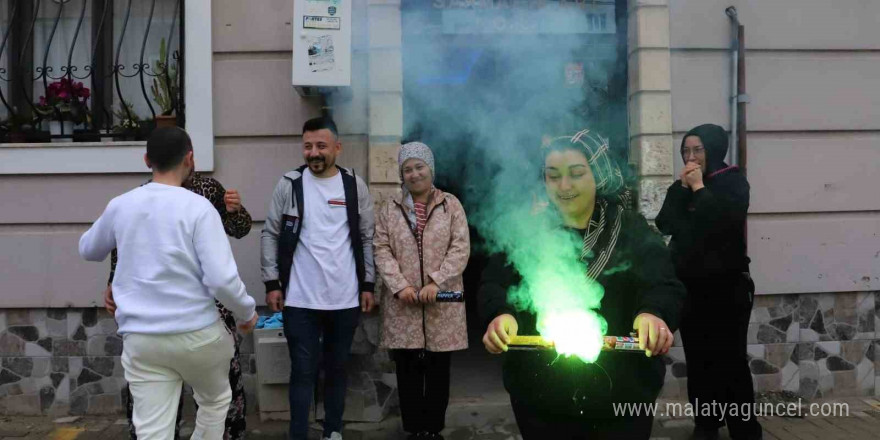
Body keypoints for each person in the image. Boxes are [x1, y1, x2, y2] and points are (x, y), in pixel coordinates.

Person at [479, 129, 685, 439]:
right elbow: (494, 283)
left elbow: (664, 283)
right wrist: (500, 313)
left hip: (621, 393)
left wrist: (653, 313)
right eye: (553, 176)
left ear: (597, 174)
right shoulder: (527, 231)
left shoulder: (630, 229)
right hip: (541, 395)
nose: (564, 186)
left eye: (576, 174)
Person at [79, 127, 258, 440]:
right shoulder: (200, 207)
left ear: (147, 159)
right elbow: (221, 278)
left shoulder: (122, 204)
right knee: (215, 401)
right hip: (198, 333)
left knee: (152, 432)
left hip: (142, 338)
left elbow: (88, 249)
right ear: (189, 158)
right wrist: (247, 313)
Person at [261, 117, 376, 440]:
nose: (314, 153)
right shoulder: (289, 184)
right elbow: (270, 233)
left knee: (337, 370)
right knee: (302, 372)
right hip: (300, 299)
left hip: (345, 298)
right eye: (308, 146)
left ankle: (333, 431)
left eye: (321, 146)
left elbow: (367, 238)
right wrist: (272, 283)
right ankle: (298, 434)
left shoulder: (354, 185)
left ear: (337, 148)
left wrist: (368, 284)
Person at [655, 123, 762, 440]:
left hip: (727, 288)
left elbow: (721, 223)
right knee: (699, 360)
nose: (690, 157)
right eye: (686, 151)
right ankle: (707, 423)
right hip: (691, 287)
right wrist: (680, 190)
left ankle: (744, 428)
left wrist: (700, 188)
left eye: (697, 150)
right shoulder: (681, 188)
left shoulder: (732, 182)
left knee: (729, 360)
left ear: (714, 150)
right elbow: (664, 223)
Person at [373, 142, 470, 440]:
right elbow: (381, 249)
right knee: (408, 371)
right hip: (404, 305)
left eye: (419, 167)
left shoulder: (450, 204)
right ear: (401, 175)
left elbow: (460, 247)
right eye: (408, 169)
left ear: (431, 169)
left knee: (439, 371)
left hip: (441, 302)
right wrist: (400, 286)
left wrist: (436, 281)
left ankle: (434, 430)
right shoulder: (389, 209)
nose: (414, 174)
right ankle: (414, 430)